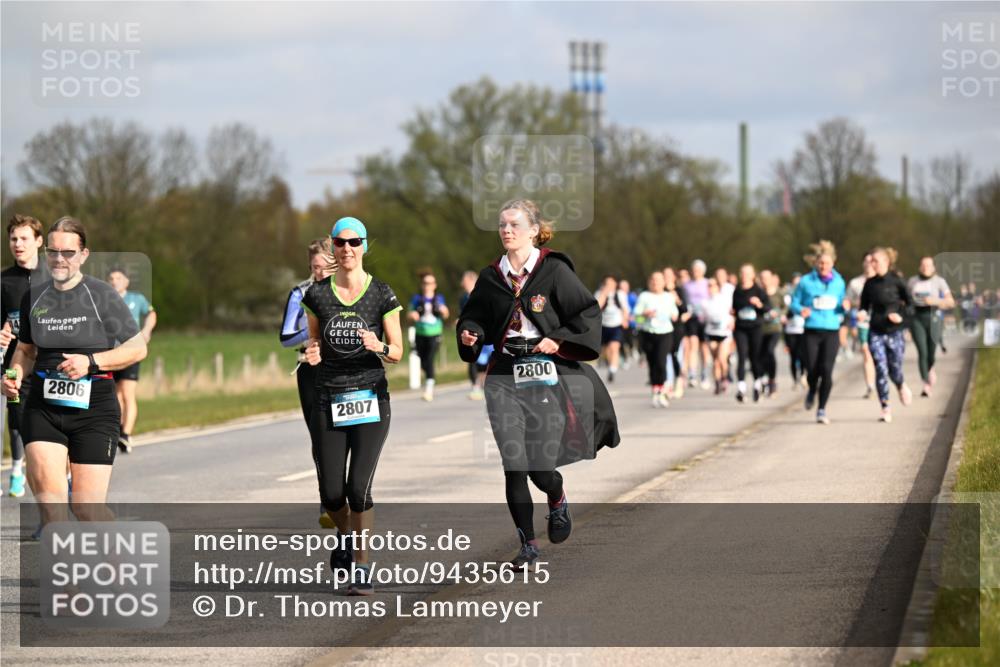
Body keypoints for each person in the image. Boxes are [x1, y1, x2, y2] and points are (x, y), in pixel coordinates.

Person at [458, 199, 620, 569]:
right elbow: (475, 318)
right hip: (503, 376)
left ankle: (557, 495)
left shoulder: (554, 271)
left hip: (544, 373)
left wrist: (558, 340)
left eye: (513, 224)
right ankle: (528, 545)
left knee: (539, 466)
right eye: (501, 225)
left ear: (533, 230)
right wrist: (471, 333)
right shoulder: (490, 277)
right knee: (514, 463)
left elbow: (586, 312)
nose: (506, 231)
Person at [1, 217, 147, 528]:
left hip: (94, 410)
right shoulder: (34, 297)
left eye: (67, 252)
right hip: (43, 408)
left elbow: (137, 349)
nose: (58, 259)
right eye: (52, 251)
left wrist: (90, 362)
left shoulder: (101, 295)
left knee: (86, 510)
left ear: (83, 255)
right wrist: (14, 373)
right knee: (53, 512)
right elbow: (26, 350)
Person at [302, 216, 403, 595]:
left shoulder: (382, 294)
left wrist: (380, 347)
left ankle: (361, 564)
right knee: (331, 494)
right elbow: (313, 343)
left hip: (370, 398)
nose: (347, 249)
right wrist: (311, 354)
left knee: (358, 488)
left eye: (354, 242)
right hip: (328, 398)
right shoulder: (317, 295)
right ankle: (345, 535)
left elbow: (397, 350)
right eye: (341, 243)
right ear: (332, 246)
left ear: (364, 246)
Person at [279, 238, 336, 527]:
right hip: (310, 369)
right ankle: (327, 502)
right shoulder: (300, 293)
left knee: (348, 437)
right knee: (320, 438)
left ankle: (350, 495)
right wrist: (313, 331)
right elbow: (285, 336)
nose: (319, 273)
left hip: (343, 369)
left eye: (325, 267)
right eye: (315, 267)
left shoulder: (349, 290)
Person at [1, 214, 46, 497]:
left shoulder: (56, 276)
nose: (18, 244)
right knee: (18, 421)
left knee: (49, 435)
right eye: (13, 239)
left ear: (39, 242)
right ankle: (17, 467)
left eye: (24, 238)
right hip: (16, 363)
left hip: (52, 365)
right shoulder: (3, 281)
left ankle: (60, 490)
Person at [790, 240, 847, 425]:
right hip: (811, 330)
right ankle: (812, 390)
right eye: (821, 263)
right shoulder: (806, 282)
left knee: (827, 371)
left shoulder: (839, 282)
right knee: (813, 370)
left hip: (831, 330)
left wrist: (844, 307)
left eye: (827, 263)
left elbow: (840, 305)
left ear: (833, 264)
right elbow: (794, 302)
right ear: (816, 264)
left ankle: (821, 409)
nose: (824, 266)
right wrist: (801, 310)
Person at [107, 268, 157, 454]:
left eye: (118, 278)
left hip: (130, 351)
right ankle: (118, 430)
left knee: (127, 393)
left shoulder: (137, 299)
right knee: (115, 395)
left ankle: (126, 434)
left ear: (126, 281)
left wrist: (146, 331)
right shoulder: (105, 299)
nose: (114, 281)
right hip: (110, 353)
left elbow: (151, 314)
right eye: (111, 278)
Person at [861, 247, 913, 423]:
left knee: (894, 368)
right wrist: (861, 312)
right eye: (870, 261)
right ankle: (885, 407)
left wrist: (901, 316)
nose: (871, 264)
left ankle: (900, 384)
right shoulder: (869, 284)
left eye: (875, 260)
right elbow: (863, 306)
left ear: (886, 262)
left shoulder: (897, 281)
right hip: (876, 331)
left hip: (895, 331)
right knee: (881, 369)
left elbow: (911, 305)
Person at [908, 256, 954, 397]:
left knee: (931, 352)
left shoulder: (940, 282)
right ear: (919, 267)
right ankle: (926, 384)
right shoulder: (912, 281)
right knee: (922, 351)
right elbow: (905, 299)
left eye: (928, 265)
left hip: (933, 316)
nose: (925, 268)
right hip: (916, 318)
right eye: (923, 265)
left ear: (933, 267)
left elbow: (951, 302)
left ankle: (930, 367)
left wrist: (936, 300)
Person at [634, 270, 679, 407]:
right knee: (652, 362)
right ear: (649, 282)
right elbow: (636, 317)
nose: (655, 283)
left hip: (665, 333)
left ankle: (662, 391)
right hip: (648, 333)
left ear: (664, 283)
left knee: (661, 361)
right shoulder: (644, 296)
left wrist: (673, 314)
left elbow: (675, 314)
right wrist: (645, 315)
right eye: (653, 280)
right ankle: (655, 389)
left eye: (658, 280)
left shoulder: (668, 297)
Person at [408, 271, 449, 401]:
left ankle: (429, 389)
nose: (428, 286)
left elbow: (446, 314)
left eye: (430, 283)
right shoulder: (416, 299)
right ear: (422, 285)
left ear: (435, 285)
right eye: (425, 283)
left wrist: (444, 311)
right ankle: (429, 379)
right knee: (423, 360)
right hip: (420, 333)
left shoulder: (439, 298)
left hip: (434, 333)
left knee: (430, 359)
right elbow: (409, 314)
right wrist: (412, 315)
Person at [731, 264, 768, 403]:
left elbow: (767, 307)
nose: (745, 275)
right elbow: (734, 307)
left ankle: (757, 385)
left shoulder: (758, 290)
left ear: (753, 275)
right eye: (742, 273)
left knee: (755, 357)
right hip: (741, 328)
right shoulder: (737, 290)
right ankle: (741, 388)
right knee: (741, 355)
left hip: (755, 328)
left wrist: (759, 304)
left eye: (747, 273)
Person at [847, 254, 877, 399]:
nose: (868, 264)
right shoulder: (855, 283)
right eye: (866, 261)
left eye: (871, 261)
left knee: (877, 354)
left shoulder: (882, 281)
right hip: (862, 322)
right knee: (866, 351)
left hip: (879, 322)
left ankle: (880, 379)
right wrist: (857, 304)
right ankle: (870, 386)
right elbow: (848, 301)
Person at [460, 270, 492, 400]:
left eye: (465, 282)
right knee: (472, 359)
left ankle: (487, 385)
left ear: (473, 281)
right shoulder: (463, 298)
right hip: (470, 333)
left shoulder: (485, 294)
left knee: (487, 362)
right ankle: (475, 386)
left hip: (485, 334)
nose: (463, 284)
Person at [595, 275, 629, 383]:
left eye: (611, 283)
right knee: (606, 350)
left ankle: (612, 370)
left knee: (614, 347)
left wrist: (625, 320)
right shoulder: (599, 293)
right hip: (604, 325)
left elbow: (625, 309)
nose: (609, 285)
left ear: (615, 284)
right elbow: (596, 307)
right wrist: (604, 294)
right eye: (607, 283)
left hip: (617, 325)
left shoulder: (620, 294)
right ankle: (610, 364)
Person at [682, 260, 711, 389]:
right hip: (692, 318)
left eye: (698, 270)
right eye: (694, 270)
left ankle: (704, 374)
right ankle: (692, 374)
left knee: (704, 347)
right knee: (693, 345)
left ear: (703, 271)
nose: (696, 272)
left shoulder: (707, 283)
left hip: (705, 318)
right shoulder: (687, 285)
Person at [702, 277, 733, 394]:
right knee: (715, 360)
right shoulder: (705, 302)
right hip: (711, 333)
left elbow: (731, 312)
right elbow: (703, 318)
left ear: (717, 287)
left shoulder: (725, 299)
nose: (710, 288)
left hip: (724, 333)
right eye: (708, 286)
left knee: (721, 359)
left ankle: (724, 377)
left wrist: (731, 321)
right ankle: (717, 382)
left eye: (712, 285)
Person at [662, 267, 690, 398]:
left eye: (669, 275)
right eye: (664, 275)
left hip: (676, 327)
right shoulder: (659, 291)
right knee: (663, 354)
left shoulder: (679, 290)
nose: (666, 277)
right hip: (662, 327)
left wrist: (676, 298)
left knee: (673, 354)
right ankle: (666, 383)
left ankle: (678, 381)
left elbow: (684, 309)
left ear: (674, 277)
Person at [758, 269, 784, 397]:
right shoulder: (758, 293)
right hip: (760, 328)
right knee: (760, 355)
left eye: (766, 278)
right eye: (762, 278)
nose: (764, 280)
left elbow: (785, 307)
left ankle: (772, 381)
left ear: (772, 278)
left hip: (775, 328)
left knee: (770, 351)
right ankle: (762, 379)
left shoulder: (779, 293)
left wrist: (781, 314)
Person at [782, 273, 807, 389]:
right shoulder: (788, 297)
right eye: (795, 283)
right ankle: (795, 380)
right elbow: (785, 312)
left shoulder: (806, 296)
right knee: (793, 356)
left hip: (802, 329)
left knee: (802, 355)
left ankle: (802, 375)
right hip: (790, 330)